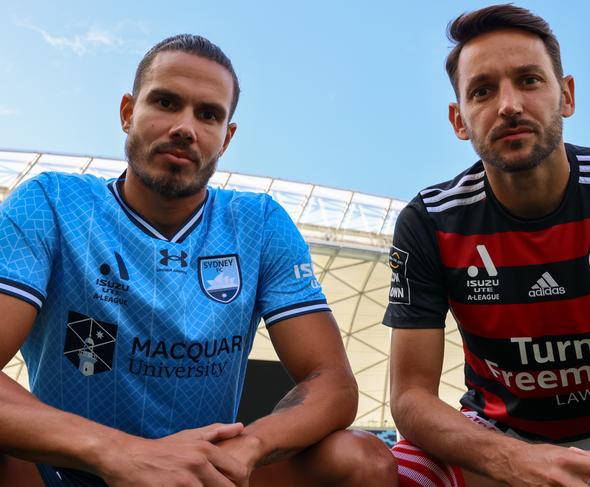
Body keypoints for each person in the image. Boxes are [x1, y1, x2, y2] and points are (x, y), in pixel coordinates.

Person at [0, 34, 397, 487]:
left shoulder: (259, 223)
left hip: (207, 476)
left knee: (362, 459)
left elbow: (334, 383)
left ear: (226, 137)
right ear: (128, 113)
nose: (185, 127)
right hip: (66, 472)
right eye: (166, 102)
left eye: (208, 114)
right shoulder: (50, 204)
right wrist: (121, 453)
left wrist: (247, 449)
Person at [384, 4, 590, 487]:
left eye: (529, 80)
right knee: (366, 466)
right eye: (482, 91)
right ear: (459, 119)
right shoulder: (430, 222)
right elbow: (410, 397)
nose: (508, 105)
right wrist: (512, 459)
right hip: (498, 437)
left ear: (566, 95)